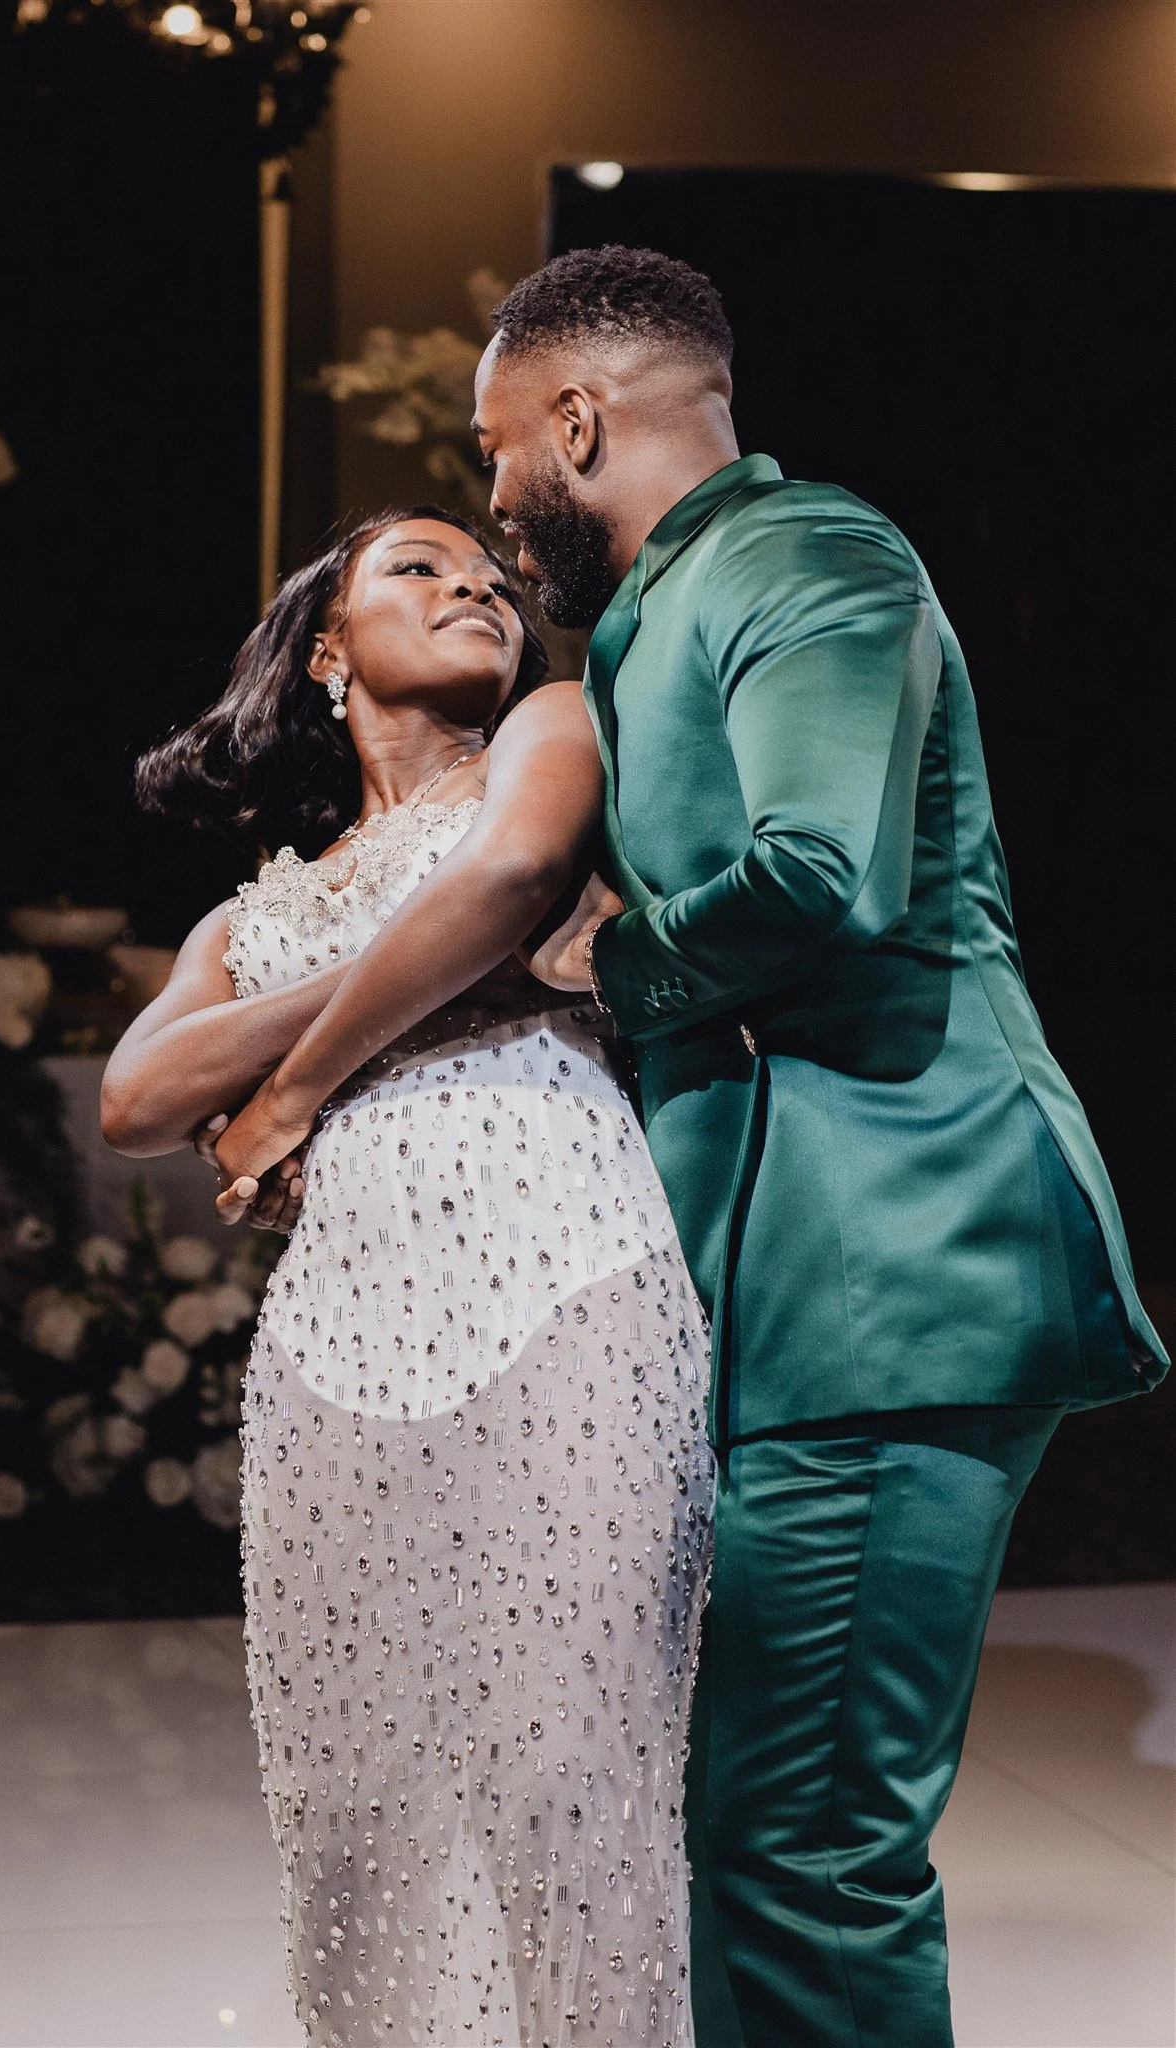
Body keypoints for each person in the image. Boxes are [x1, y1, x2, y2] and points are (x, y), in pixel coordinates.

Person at [454, 245, 1167, 2046]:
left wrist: (600, 962)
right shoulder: (672, 602)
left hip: (888, 1261)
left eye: (490, 452)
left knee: (803, 1842)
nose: (486, 498)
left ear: (579, 418)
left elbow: (818, 884)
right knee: (762, 1825)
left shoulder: (802, 555)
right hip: (801, 1285)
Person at [103, 508, 720, 2047]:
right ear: (325, 650)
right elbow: (133, 1099)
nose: (474, 588)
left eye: (493, 578)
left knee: (568, 1778)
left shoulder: (552, 736)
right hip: (332, 1360)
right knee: (351, 1803)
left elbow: (510, 873)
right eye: (420, 569)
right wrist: (402, 969)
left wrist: (296, 1087)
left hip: (570, 1299)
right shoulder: (253, 910)